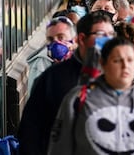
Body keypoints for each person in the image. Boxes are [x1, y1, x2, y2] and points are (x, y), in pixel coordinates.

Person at [47, 37, 134, 155]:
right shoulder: (78, 99)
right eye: (117, 60)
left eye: (130, 60)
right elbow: (60, 147)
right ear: (103, 63)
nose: (125, 66)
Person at [18, 11, 116, 155]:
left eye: (111, 35)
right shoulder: (52, 78)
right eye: (102, 35)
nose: (109, 40)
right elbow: (31, 129)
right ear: (81, 39)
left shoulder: (126, 72)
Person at [26, 16, 76, 97]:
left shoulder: (84, 62)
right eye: (51, 39)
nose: (56, 42)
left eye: (61, 37)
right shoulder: (41, 64)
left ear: (74, 39)